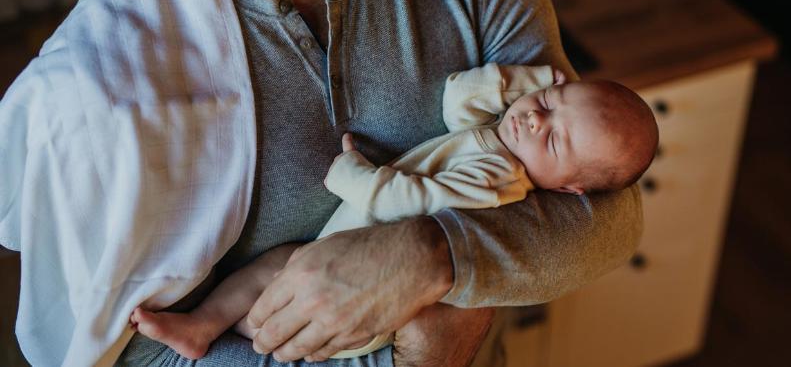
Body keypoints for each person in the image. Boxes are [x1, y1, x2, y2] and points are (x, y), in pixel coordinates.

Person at [0, 0, 644, 366]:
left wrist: (432, 255)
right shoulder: (102, 87)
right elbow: (140, 357)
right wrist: (435, 336)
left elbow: (609, 216)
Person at [127, 62, 658, 361]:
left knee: (279, 293)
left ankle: (222, 332)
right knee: (278, 267)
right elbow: (458, 100)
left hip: (362, 289)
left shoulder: (499, 180)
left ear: (567, 189)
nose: (536, 122)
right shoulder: (500, 137)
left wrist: (351, 174)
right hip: (335, 250)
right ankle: (202, 326)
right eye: (547, 105)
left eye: (556, 142)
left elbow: (415, 202)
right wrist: (525, 85)